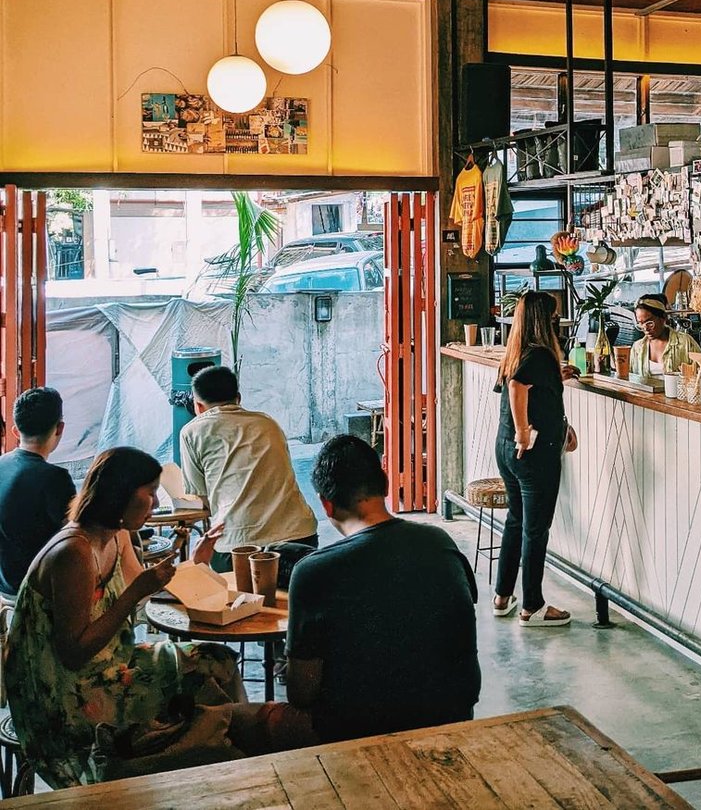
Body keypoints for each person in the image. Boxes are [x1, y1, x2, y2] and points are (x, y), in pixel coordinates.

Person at [5, 447, 259, 788]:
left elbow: (148, 591)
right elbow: (74, 652)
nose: (156, 503)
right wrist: (132, 594)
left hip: (110, 664)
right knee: (203, 682)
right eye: (150, 492)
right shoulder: (74, 552)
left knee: (217, 660)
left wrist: (196, 563)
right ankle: (209, 766)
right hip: (64, 695)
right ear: (120, 494)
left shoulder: (118, 535)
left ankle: (224, 763)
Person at [274, 435, 480, 744]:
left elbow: (301, 694)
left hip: (354, 735)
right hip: (450, 720)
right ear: (384, 485)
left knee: (238, 721)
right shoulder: (440, 543)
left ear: (326, 505)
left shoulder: (313, 572)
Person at [493, 290, 578, 629]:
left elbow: (525, 385)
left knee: (516, 521)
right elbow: (517, 387)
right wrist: (524, 431)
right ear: (545, 321)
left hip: (506, 453)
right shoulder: (540, 355)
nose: (558, 322)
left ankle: (502, 597)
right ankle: (532, 606)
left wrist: (558, 378)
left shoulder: (516, 352)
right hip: (532, 455)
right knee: (535, 530)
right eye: (554, 318)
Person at [180, 365, 317, 568]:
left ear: (198, 406)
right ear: (239, 398)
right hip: (300, 538)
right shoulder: (268, 424)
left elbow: (201, 499)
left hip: (236, 547)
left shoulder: (191, 432)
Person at [0, 386, 75, 598]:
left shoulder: (1, 465)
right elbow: (75, 534)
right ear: (60, 428)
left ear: (16, 430)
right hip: (39, 587)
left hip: (4, 585)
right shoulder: (55, 478)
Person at [629, 293, 701, 381]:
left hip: (679, 394)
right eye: (640, 324)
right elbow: (632, 379)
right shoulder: (637, 348)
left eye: (650, 323)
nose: (646, 329)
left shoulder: (686, 343)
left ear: (663, 318)